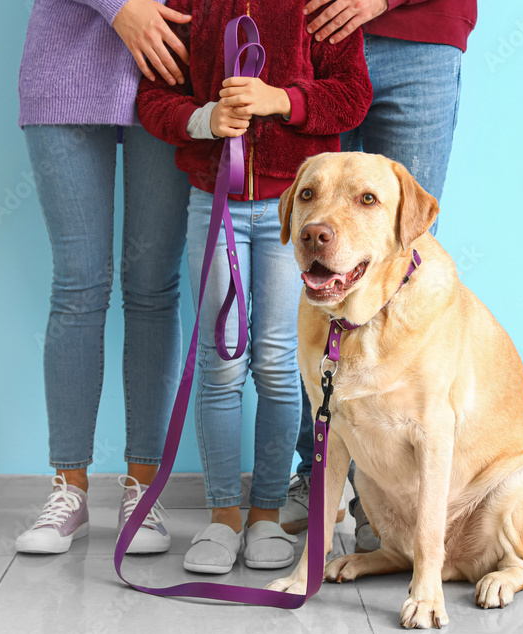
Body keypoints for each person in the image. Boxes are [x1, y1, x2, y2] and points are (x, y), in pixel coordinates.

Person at [136, 0, 371, 573]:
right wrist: (204, 119)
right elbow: (152, 99)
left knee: (276, 360)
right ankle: (223, 518)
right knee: (219, 361)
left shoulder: (316, 7)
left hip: (295, 212)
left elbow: (352, 94)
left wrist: (282, 100)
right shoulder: (186, 7)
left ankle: (267, 513)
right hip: (212, 204)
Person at [280, 0, 477, 552]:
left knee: (397, 259)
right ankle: (315, 473)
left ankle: (379, 496)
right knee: (324, 261)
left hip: (419, 35)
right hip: (308, 38)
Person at [14, 0, 200, 555]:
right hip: (64, 68)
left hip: (171, 72)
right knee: (77, 287)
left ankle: (143, 492)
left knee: (151, 289)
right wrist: (118, 8)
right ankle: (68, 490)